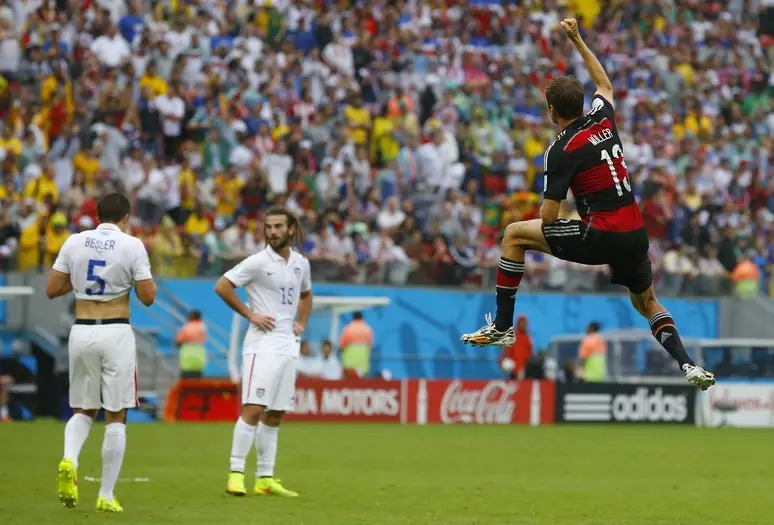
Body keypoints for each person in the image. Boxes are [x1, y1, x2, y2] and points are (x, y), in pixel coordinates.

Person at [460, 19, 715, 391]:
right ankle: (689, 366)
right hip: (635, 232)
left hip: (602, 233)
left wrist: (560, 209)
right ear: (581, 104)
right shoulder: (603, 118)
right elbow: (605, 84)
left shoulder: (559, 150)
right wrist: (577, 39)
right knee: (647, 303)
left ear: (550, 110)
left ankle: (502, 327)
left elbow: (548, 217)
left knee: (515, 236)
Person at [46, 192, 156, 513]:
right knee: (116, 414)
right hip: (115, 329)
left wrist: (79, 282)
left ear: (97, 215)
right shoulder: (132, 245)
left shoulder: (75, 241)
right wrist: (130, 280)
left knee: (82, 408)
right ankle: (106, 494)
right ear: (126, 216)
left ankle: (70, 457)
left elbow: (52, 289)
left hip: (81, 331)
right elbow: (148, 296)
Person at [214, 207, 312, 498]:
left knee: (276, 413)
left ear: (291, 229)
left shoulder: (301, 263)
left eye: (278, 226)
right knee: (254, 409)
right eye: (268, 227)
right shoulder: (257, 262)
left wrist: (302, 322)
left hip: (287, 344)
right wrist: (250, 314)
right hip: (261, 344)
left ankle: (265, 478)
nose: (272, 232)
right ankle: (235, 472)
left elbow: (306, 295)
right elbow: (222, 285)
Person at [175, 309, 208, 378]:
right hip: (199, 357)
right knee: (197, 382)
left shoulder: (187, 327)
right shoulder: (203, 327)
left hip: (187, 357)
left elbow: (179, 341)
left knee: (186, 381)